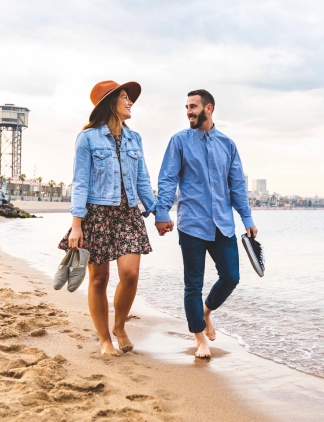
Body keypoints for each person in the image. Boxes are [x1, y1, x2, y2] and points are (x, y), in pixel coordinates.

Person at [155, 89, 257, 358]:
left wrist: (247, 218)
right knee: (193, 285)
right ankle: (200, 340)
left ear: (208, 108)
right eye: (186, 107)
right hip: (192, 224)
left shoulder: (228, 144)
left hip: (223, 225)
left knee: (231, 278)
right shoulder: (179, 141)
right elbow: (167, 179)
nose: (189, 111)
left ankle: (206, 312)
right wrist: (162, 211)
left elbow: (237, 186)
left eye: (193, 107)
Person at [58, 80, 157, 356]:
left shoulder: (134, 139)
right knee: (99, 279)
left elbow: (142, 181)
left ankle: (120, 325)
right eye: (125, 97)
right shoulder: (88, 138)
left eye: (129, 97)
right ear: (110, 103)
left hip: (127, 214)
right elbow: (80, 182)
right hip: (97, 214)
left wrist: (157, 212)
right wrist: (76, 226)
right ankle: (104, 340)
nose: (130, 102)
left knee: (131, 274)